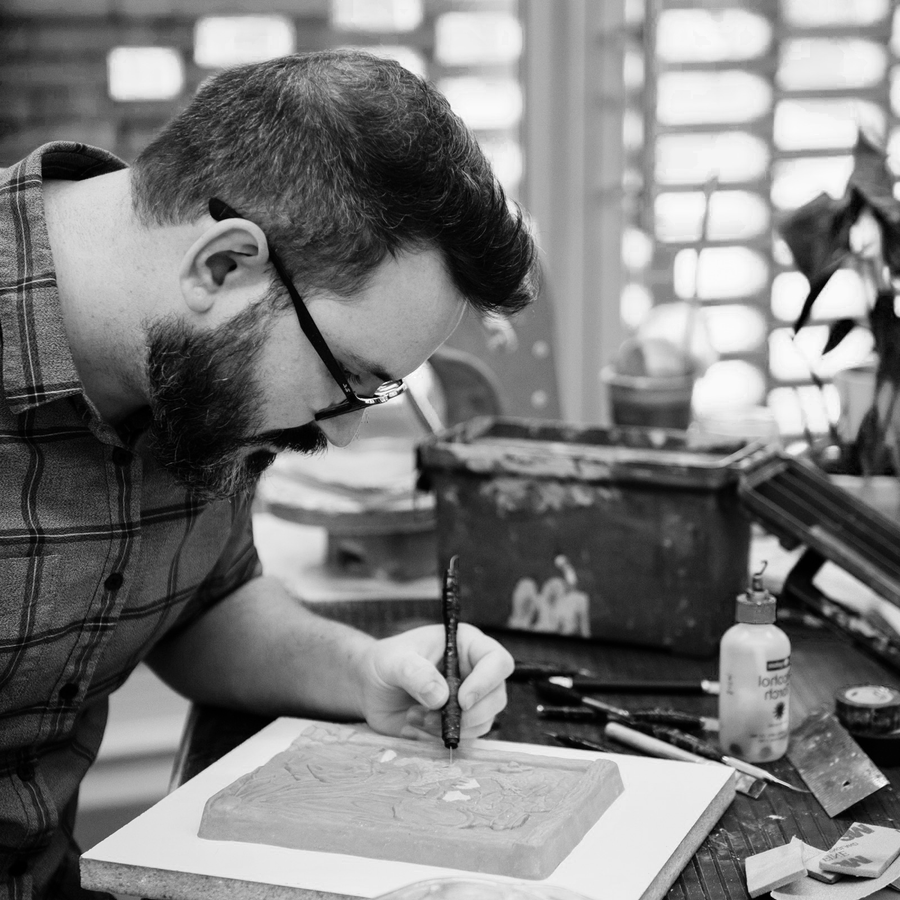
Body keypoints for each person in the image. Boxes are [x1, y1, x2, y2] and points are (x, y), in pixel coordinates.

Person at [0, 49, 539, 899]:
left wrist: (362, 672)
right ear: (224, 267)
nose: (351, 429)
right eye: (349, 377)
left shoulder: (191, 369)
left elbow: (202, 602)